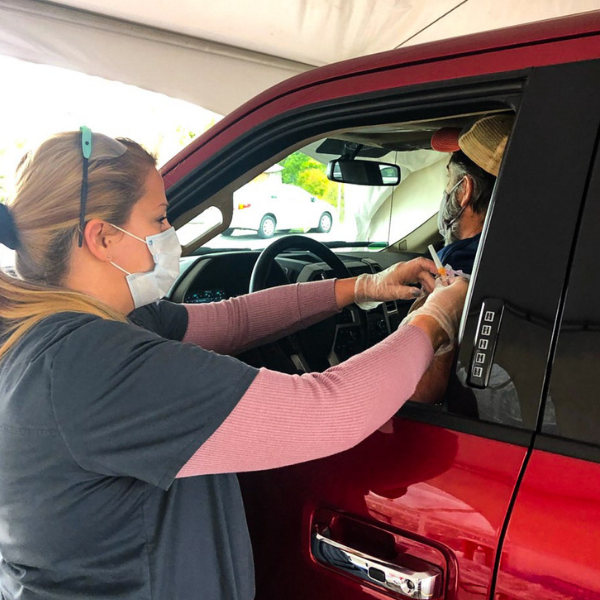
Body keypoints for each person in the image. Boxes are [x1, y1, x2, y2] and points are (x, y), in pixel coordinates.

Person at [0, 128, 467, 599]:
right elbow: (328, 410)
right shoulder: (91, 366)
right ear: (102, 237)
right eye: (159, 218)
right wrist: (434, 321)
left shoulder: (73, 323)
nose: (169, 234)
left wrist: (365, 287)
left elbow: (234, 320)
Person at [410, 113, 514, 403]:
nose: (445, 192)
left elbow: (417, 394)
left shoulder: (452, 267)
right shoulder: (530, 256)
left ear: (464, 190)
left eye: (448, 180)